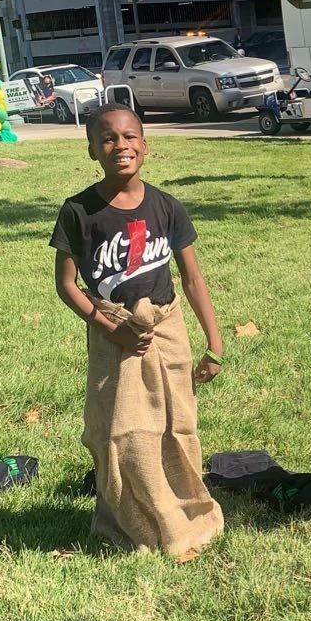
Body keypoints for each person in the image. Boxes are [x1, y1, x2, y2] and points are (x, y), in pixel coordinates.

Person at [50, 104, 225, 559]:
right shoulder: (79, 211)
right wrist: (112, 328)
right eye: (107, 138)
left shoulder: (166, 206)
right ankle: (135, 518)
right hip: (113, 332)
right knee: (121, 429)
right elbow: (67, 285)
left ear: (145, 146)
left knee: (175, 423)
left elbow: (192, 279)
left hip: (167, 328)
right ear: (92, 149)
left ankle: (182, 505)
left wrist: (215, 343)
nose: (120, 145)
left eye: (129, 137)